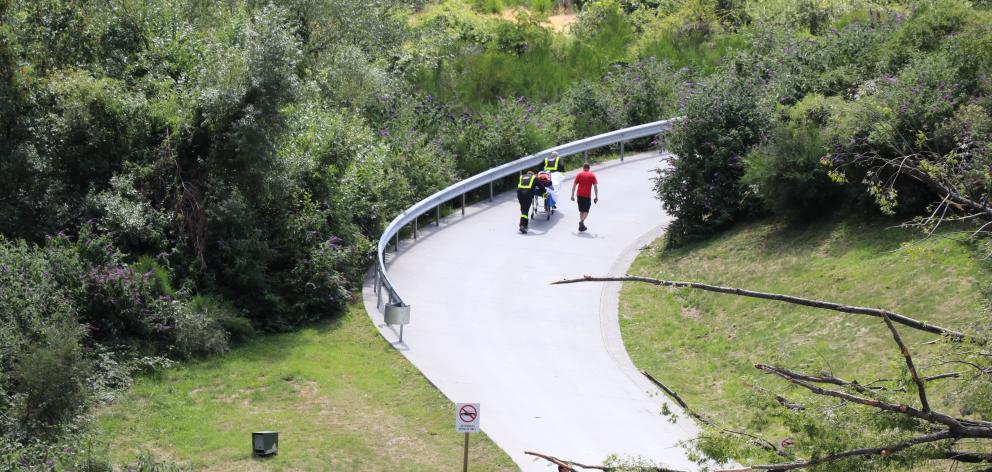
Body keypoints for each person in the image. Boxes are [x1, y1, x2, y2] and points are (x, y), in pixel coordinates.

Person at [570, 163, 598, 232]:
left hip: (579, 195)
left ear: (583, 168)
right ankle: (582, 222)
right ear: (589, 168)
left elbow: (574, 185)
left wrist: (572, 195)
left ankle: (581, 226)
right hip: (587, 196)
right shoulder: (592, 175)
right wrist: (596, 196)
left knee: (581, 210)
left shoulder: (579, 174)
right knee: (586, 210)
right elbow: (595, 187)